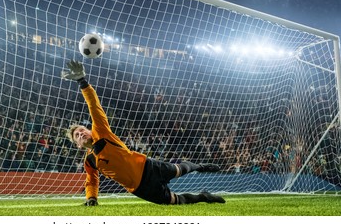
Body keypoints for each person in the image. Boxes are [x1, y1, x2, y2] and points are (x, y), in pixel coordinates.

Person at [62, 60, 225, 206]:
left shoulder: (101, 132)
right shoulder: (90, 161)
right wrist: (92, 198)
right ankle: (204, 197)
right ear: (78, 145)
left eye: (82, 130)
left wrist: (82, 82)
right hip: (139, 188)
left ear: (89, 130)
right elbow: (91, 180)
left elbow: (94, 106)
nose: (81, 133)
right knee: (175, 201)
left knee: (179, 169)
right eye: (77, 135)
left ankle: (201, 166)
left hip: (147, 166)